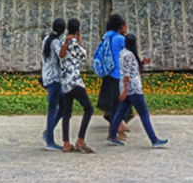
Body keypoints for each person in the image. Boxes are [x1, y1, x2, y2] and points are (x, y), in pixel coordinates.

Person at [105, 32, 167, 147]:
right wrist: (126, 90)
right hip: (133, 88)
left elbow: (130, 68)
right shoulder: (129, 55)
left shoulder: (123, 53)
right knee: (144, 113)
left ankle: (112, 135)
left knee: (120, 112)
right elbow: (127, 73)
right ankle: (154, 140)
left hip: (126, 87)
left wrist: (142, 63)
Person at [57, 18, 94, 153]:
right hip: (75, 82)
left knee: (67, 113)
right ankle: (80, 140)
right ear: (78, 29)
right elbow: (83, 56)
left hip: (65, 83)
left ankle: (66, 143)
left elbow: (60, 55)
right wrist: (79, 40)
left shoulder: (63, 41)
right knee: (89, 109)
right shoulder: (73, 42)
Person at [95, 13, 131, 134]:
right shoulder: (120, 39)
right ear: (120, 26)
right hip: (118, 74)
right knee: (120, 100)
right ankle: (115, 127)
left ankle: (118, 123)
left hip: (109, 73)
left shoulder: (108, 36)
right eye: (124, 25)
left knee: (117, 101)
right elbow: (130, 52)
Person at [40, 18, 66, 150]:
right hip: (55, 79)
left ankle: (48, 132)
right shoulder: (56, 42)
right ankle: (49, 141)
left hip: (47, 77)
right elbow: (62, 56)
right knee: (53, 109)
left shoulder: (46, 39)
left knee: (63, 106)